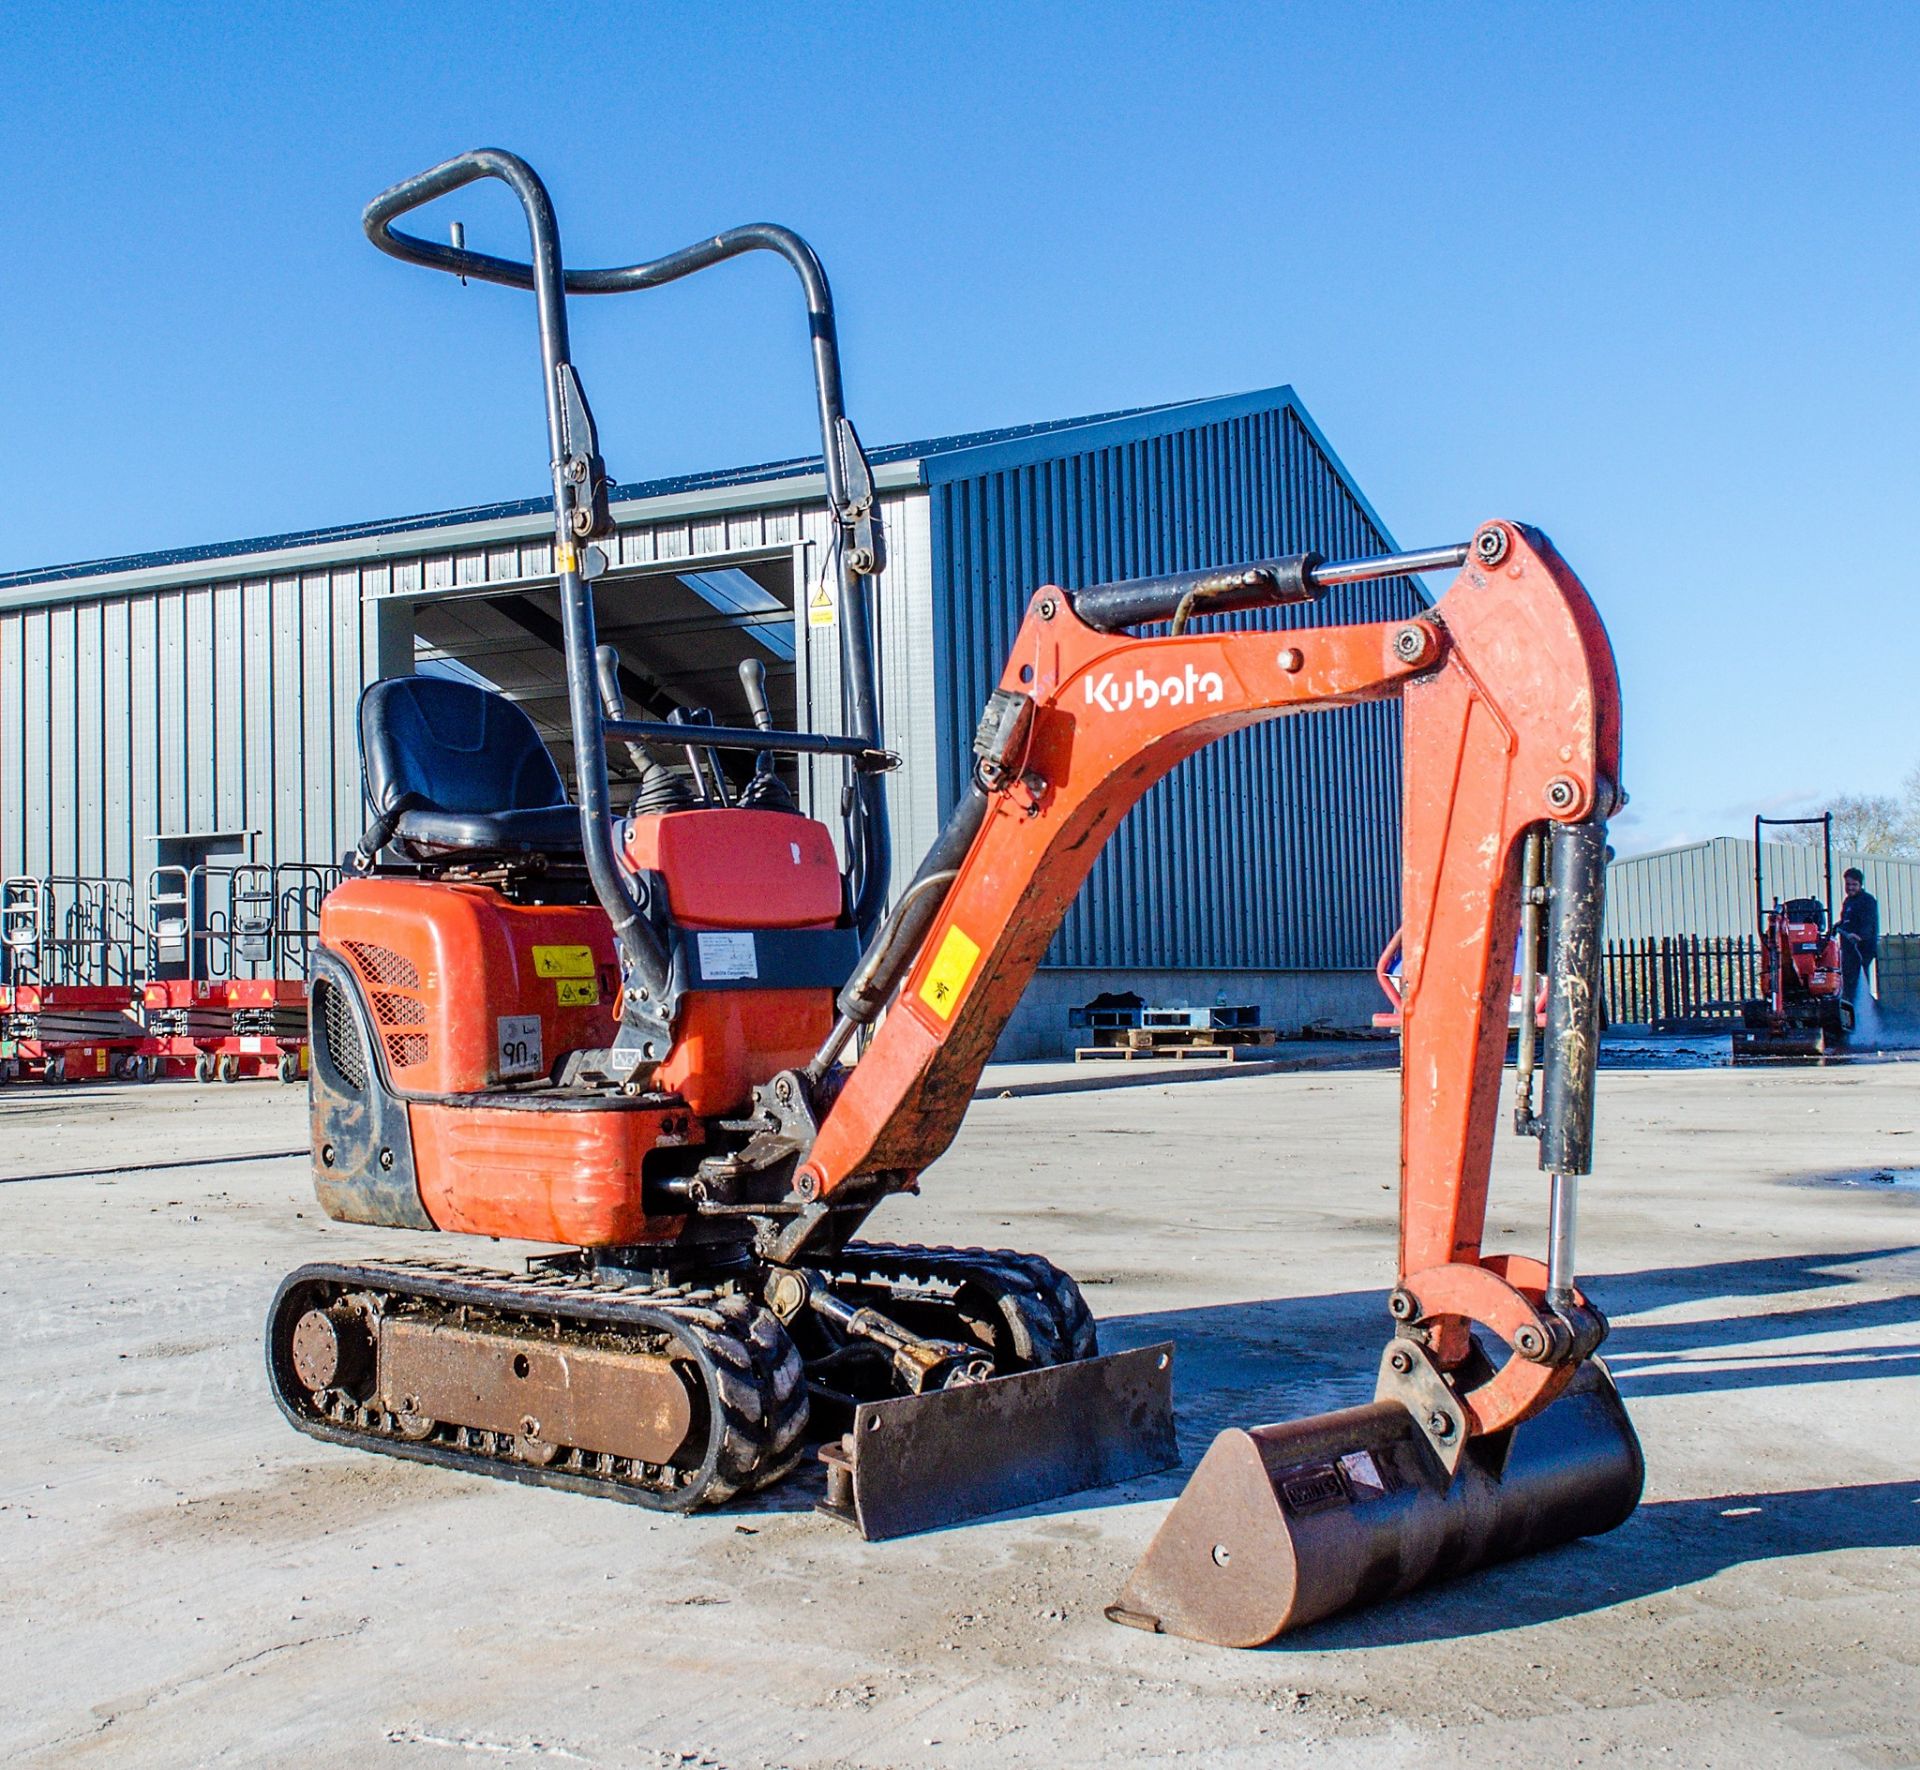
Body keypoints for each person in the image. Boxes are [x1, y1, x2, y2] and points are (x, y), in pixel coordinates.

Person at [1836, 866, 1878, 1004]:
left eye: (1854, 884)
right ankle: (1850, 1007)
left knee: (1858, 980)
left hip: (1862, 949)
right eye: (1848, 884)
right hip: (1848, 949)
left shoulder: (1867, 901)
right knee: (1847, 980)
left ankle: (1862, 1009)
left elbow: (1869, 923)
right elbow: (1845, 922)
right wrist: (1836, 927)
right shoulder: (1848, 902)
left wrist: (1860, 936)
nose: (1850, 888)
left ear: (1860, 885)